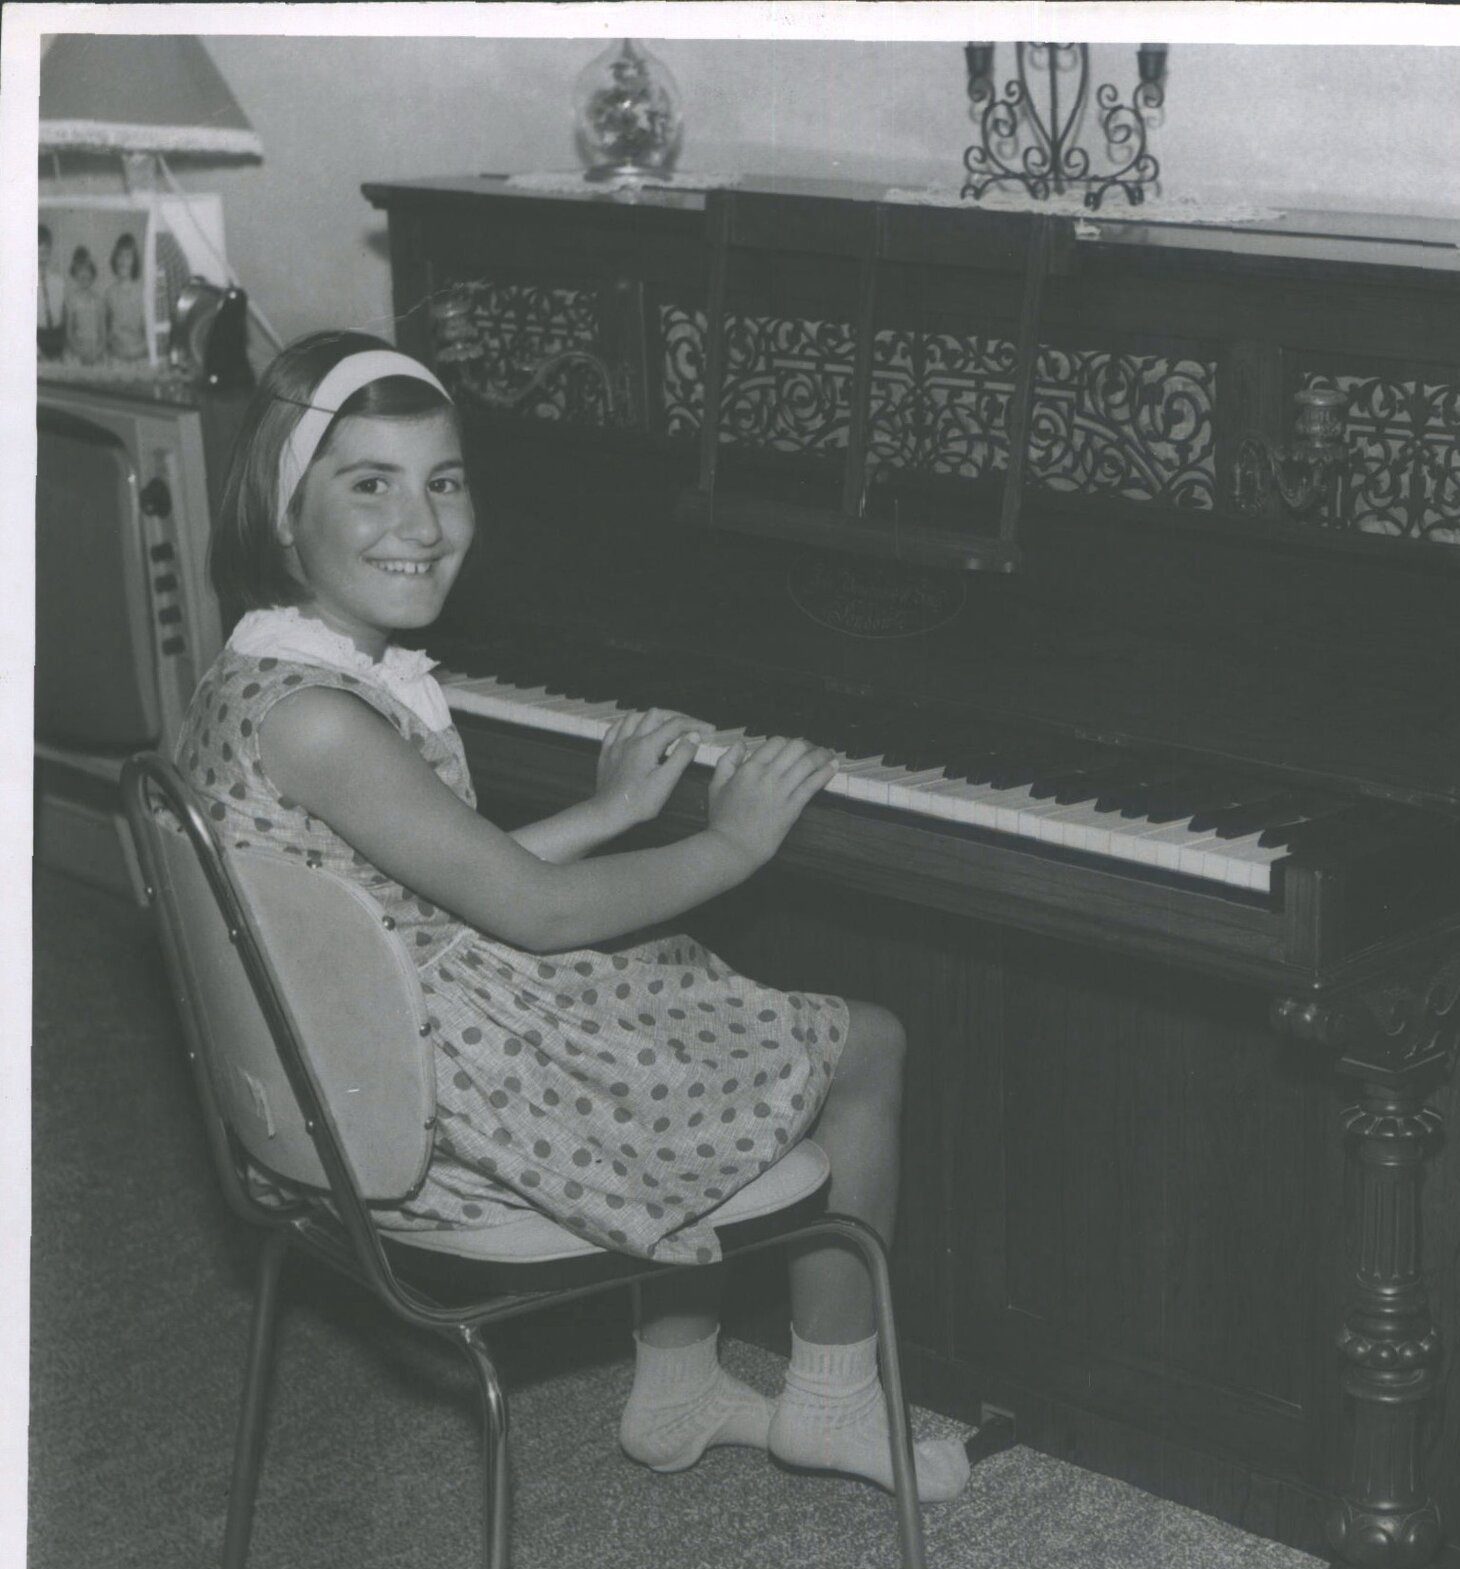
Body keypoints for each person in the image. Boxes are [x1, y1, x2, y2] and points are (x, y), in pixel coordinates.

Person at [180, 331, 969, 1501]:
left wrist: (605, 815)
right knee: (863, 1039)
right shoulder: (323, 721)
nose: (422, 522)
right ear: (283, 511)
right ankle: (832, 1404)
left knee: (671, 982)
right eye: (369, 484)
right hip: (425, 1128)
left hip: (347, 1078)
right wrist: (733, 840)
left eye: (444, 481)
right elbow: (538, 917)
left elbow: (412, 882)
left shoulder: (258, 676)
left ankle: (680, 1389)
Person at [106, 231, 149, 362]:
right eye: (119, 255)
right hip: (116, 355)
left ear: (134, 261)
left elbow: (150, 334)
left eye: (128, 256)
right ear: (115, 258)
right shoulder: (109, 293)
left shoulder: (143, 292)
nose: (123, 260)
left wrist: (139, 351)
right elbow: (107, 332)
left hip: (140, 354)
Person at [63, 245, 107, 364]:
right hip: (77, 349)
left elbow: (103, 334)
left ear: (92, 273)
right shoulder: (71, 300)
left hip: (96, 350)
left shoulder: (99, 301)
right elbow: (69, 333)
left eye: (87, 269)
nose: (84, 274)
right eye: (79, 270)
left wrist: (97, 352)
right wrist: (79, 352)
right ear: (74, 273)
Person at [37, 224, 66, 359]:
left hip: (56, 336)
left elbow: (62, 315)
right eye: (37, 253)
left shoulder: (58, 282)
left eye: (45, 252)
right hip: (37, 336)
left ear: (50, 252)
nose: (41, 258)